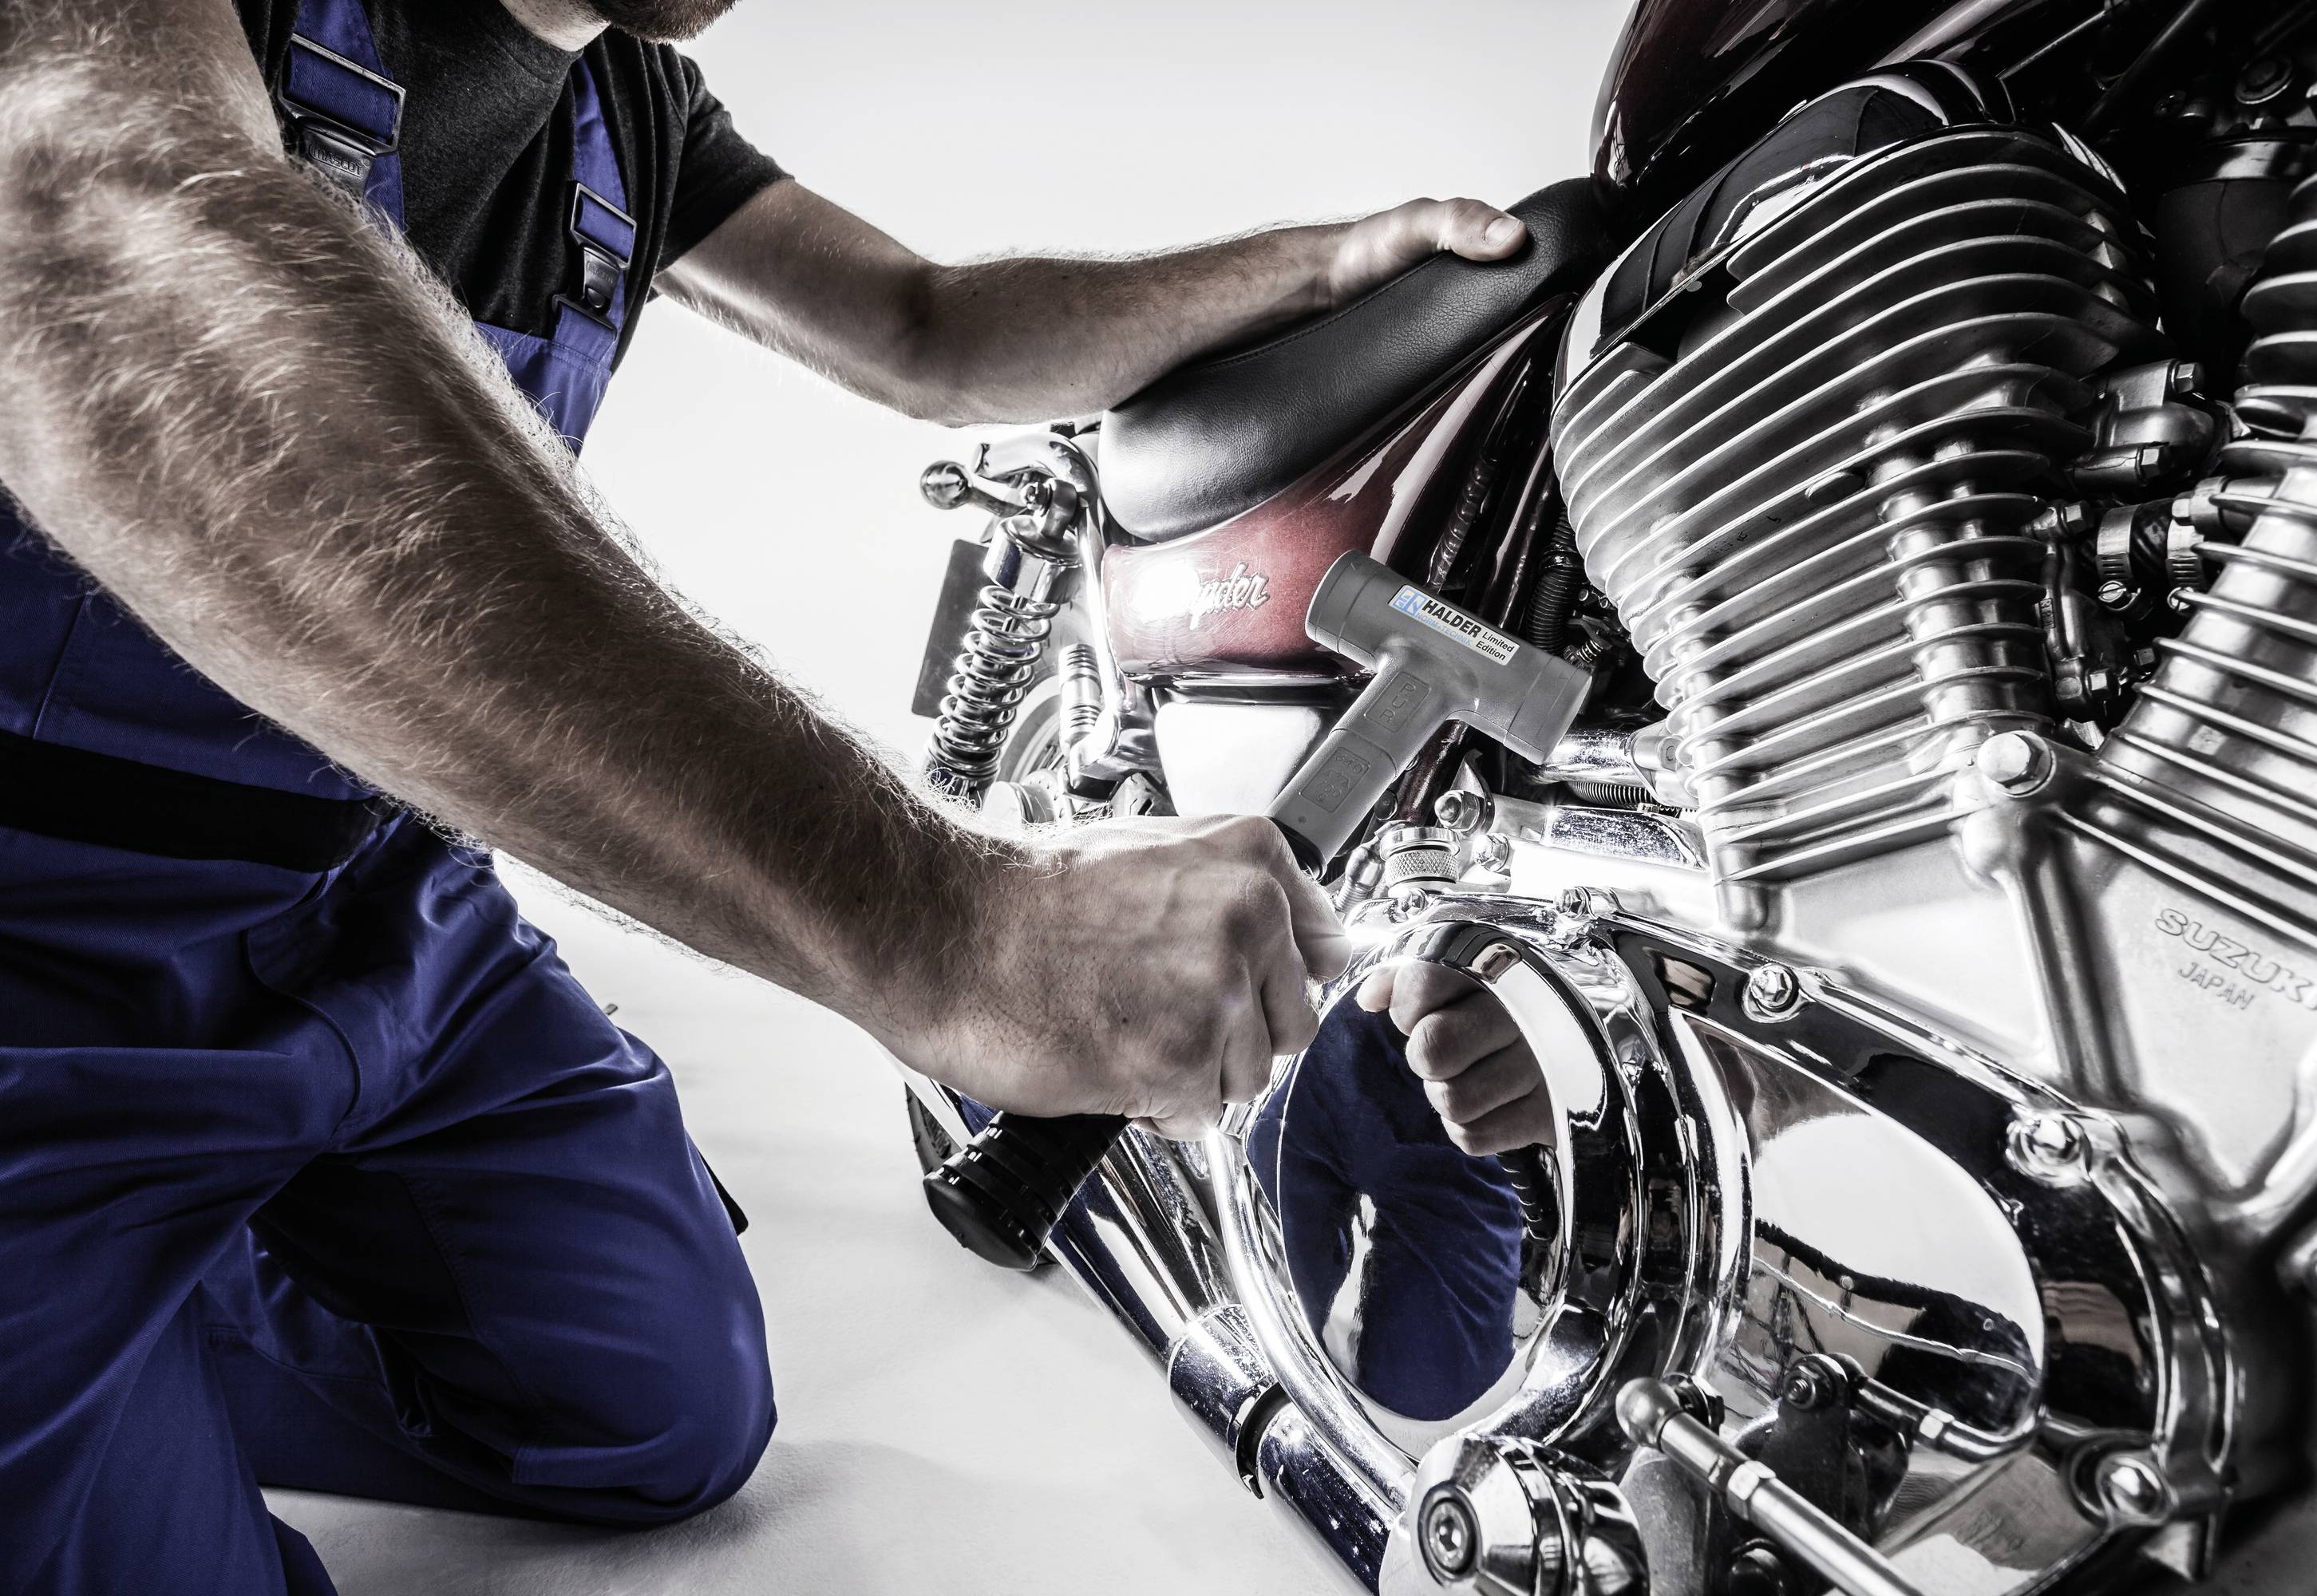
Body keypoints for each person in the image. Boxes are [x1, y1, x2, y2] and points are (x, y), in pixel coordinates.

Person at [0, 0, 1540, 1589]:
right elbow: (102, 249)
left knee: (654, 1420)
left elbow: (932, 329)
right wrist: (953, 925)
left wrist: (1322, 262)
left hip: (383, 897)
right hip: (42, 944)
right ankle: (97, 1308)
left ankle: (157, 1299)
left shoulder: (636, 116)